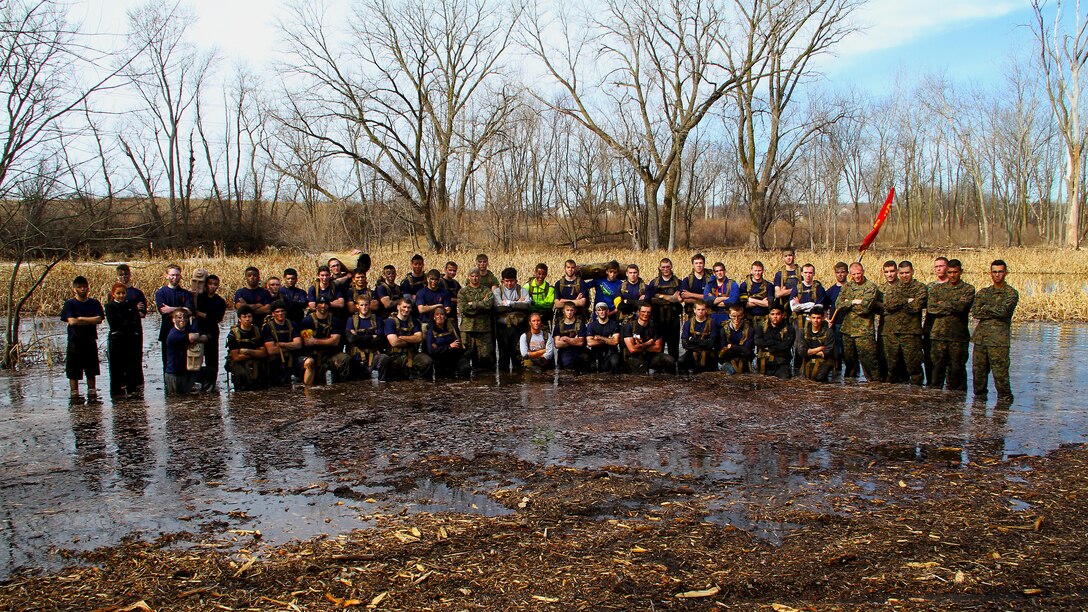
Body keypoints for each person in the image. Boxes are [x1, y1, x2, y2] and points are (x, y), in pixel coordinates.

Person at [971, 260, 1019, 398]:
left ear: (1006, 273)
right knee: (978, 376)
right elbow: (975, 312)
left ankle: (1003, 411)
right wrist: (993, 310)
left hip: (999, 341)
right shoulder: (984, 292)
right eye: (994, 272)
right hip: (981, 339)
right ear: (990, 273)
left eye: (1000, 271)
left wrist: (986, 308)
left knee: (1001, 376)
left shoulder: (1011, 293)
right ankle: (978, 411)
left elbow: (1004, 311)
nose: (997, 275)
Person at [927, 259, 975, 391]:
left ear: (961, 272)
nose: (952, 275)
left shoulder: (968, 289)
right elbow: (931, 308)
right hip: (939, 336)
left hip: (958, 336)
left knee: (957, 369)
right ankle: (935, 400)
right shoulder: (937, 288)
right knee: (937, 370)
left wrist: (943, 304)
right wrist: (952, 304)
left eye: (955, 272)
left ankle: (958, 401)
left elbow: (961, 307)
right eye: (950, 272)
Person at [881, 260, 926, 385]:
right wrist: (907, 300)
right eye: (901, 273)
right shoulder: (893, 288)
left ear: (912, 272)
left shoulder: (920, 287)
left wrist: (899, 303)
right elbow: (888, 305)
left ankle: (917, 390)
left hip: (911, 332)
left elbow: (916, 307)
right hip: (893, 332)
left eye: (907, 273)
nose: (904, 276)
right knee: (892, 365)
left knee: (914, 364)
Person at [834, 262, 880, 382]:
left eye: (859, 273)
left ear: (863, 271)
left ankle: (875, 385)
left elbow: (865, 308)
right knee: (849, 363)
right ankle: (850, 387)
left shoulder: (871, 287)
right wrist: (854, 302)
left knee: (869, 362)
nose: (857, 276)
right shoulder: (847, 287)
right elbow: (838, 305)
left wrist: (848, 303)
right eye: (854, 274)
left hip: (864, 332)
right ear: (850, 274)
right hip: (847, 330)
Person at [61, 276, 104, 399]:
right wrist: (90, 321)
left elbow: (99, 319)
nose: (83, 289)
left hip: (90, 340)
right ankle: (74, 396)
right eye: (79, 287)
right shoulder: (70, 304)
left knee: (91, 370)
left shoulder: (94, 303)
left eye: (85, 287)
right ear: (74, 289)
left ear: (88, 288)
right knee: (73, 371)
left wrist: (81, 318)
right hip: (75, 341)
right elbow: (72, 322)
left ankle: (92, 393)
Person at [374, 298, 433, 381]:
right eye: (404, 307)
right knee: (385, 360)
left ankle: (421, 380)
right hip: (394, 355)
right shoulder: (390, 321)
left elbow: (419, 338)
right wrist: (412, 340)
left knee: (427, 360)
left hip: (411, 354)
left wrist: (402, 337)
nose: (406, 310)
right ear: (398, 307)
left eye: (408, 307)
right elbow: (394, 342)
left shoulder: (414, 321)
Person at [301, 296, 350, 385]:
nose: (323, 306)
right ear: (316, 306)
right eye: (321, 303)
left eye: (326, 304)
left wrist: (316, 341)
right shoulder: (307, 321)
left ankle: (342, 385)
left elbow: (335, 341)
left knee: (345, 358)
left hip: (331, 355)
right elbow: (308, 342)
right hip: (314, 356)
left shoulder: (335, 321)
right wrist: (327, 340)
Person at [105, 282, 142, 396]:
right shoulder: (109, 306)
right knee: (116, 367)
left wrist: (131, 327)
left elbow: (135, 320)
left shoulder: (131, 304)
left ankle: (132, 390)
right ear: (113, 294)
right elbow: (114, 323)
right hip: (116, 340)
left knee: (131, 366)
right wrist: (127, 322)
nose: (121, 295)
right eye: (118, 293)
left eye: (123, 293)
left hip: (130, 339)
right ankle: (117, 393)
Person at [154, 264, 194, 370]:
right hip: (167, 332)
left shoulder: (186, 294)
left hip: (184, 333)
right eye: (172, 275)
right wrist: (182, 309)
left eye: (177, 275)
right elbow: (163, 310)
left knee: (185, 362)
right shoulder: (160, 293)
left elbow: (190, 311)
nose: (174, 278)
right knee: (167, 362)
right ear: (166, 276)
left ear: (180, 276)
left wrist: (171, 309)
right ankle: (168, 385)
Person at [115, 263, 147, 391]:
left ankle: (138, 385)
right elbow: (113, 314)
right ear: (117, 277)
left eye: (126, 274)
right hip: (120, 332)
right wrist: (133, 309)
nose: (124, 277)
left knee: (136, 357)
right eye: (121, 275)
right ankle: (122, 384)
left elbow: (142, 313)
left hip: (135, 331)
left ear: (130, 275)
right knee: (121, 360)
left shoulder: (137, 293)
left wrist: (129, 311)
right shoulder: (114, 293)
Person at [493, 267, 531, 373]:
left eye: (512, 281)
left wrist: (509, 303)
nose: (509, 283)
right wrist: (518, 303)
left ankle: (517, 381)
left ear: (516, 280)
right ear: (502, 281)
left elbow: (527, 305)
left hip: (519, 327)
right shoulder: (497, 291)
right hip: (503, 327)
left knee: (517, 354)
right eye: (507, 281)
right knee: (503, 355)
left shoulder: (522, 290)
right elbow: (498, 307)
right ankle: (503, 382)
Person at [644, 258, 683, 360]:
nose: (665, 269)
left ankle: (674, 369)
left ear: (671, 267)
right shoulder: (654, 283)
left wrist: (660, 296)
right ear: (660, 268)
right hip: (657, 320)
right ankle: (658, 368)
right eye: (663, 267)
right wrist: (670, 298)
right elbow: (647, 299)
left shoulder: (678, 282)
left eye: (668, 267)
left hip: (673, 321)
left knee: (673, 347)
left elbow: (678, 298)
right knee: (658, 347)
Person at [194, 273, 227, 390]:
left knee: (212, 359)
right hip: (197, 329)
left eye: (215, 284)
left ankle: (211, 384)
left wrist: (199, 314)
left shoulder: (220, 301)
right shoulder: (199, 298)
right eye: (210, 284)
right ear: (206, 285)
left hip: (212, 331)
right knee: (195, 357)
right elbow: (192, 310)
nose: (213, 286)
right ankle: (196, 382)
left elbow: (217, 318)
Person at [622, 302, 676, 374]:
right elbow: (632, 350)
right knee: (643, 373)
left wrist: (639, 346)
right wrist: (648, 343)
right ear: (638, 312)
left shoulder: (655, 327)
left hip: (650, 356)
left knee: (670, 360)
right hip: (633, 357)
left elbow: (658, 348)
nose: (646, 314)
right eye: (643, 312)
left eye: (648, 312)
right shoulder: (629, 327)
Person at [458, 269, 495, 373]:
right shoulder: (463, 291)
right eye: (473, 276)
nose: (475, 278)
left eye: (477, 276)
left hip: (483, 328)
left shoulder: (486, 291)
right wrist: (480, 306)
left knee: (484, 355)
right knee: (465, 353)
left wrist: (473, 304)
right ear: (469, 277)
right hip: (467, 328)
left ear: (480, 277)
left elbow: (488, 305)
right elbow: (463, 308)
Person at [225, 305, 269, 391]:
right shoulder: (233, 334)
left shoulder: (257, 331)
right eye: (244, 317)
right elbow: (236, 357)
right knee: (240, 373)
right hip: (239, 362)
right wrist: (255, 353)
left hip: (255, 359)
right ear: (239, 319)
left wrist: (248, 351)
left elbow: (263, 353)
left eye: (249, 316)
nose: (247, 319)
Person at [165, 310, 206, 395]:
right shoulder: (173, 335)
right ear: (173, 320)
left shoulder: (188, 329)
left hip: (186, 372)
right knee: (175, 401)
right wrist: (196, 337)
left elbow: (206, 337)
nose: (182, 320)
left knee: (210, 372)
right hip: (174, 374)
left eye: (185, 317)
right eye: (179, 318)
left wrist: (196, 337)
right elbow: (191, 338)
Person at [922, 256, 950, 383]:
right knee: (930, 363)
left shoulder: (953, 286)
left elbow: (957, 307)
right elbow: (928, 306)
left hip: (949, 332)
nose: (938, 269)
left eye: (941, 266)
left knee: (950, 366)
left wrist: (938, 304)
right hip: (930, 330)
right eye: (936, 267)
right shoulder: (930, 287)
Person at [262, 301, 303, 386]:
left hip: (292, 359)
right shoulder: (268, 327)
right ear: (273, 314)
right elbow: (271, 350)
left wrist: (280, 344)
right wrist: (291, 345)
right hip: (275, 362)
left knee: (309, 363)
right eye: (277, 312)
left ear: (285, 312)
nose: (280, 313)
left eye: (282, 311)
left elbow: (298, 345)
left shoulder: (293, 324)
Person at [345, 296, 384, 380]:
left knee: (384, 359)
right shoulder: (351, 320)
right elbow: (351, 339)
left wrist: (358, 337)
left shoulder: (377, 319)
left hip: (373, 354)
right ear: (357, 306)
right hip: (357, 355)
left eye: (366, 305)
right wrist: (371, 336)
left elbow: (380, 340)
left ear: (369, 305)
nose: (364, 307)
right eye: (361, 305)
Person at [426, 308, 470, 378]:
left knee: (465, 368)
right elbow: (431, 351)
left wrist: (439, 347)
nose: (439, 316)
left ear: (445, 317)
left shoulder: (452, 326)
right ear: (434, 317)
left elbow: (457, 344)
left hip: (455, 356)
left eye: (442, 314)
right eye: (437, 314)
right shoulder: (431, 331)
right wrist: (449, 346)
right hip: (441, 359)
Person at [754, 305, 794, 379]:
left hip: (781, 363)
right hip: (764, 362)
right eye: (772, 314)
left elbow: (785, 346)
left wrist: (769, 348)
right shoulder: (761, 327)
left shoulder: (789, 329)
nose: (775, 316)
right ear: (769, 315)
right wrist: (774, 342)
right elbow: (757, 341)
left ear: (782, 315)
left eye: (778, 314)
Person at [678, 301, 718, 374]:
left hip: (707, 353)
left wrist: (693, 340)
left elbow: (712, 343)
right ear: (694, 310)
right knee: (681, 361)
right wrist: (701, 345)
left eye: (703, 309)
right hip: (692, 351)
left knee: (712, 366)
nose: (701, 312)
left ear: (706, 310)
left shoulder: (712, 323)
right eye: (698, 309)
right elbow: (685, 344)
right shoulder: (688, 323)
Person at [823, 261, 849, 376]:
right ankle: (837, 374)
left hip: (849, 324)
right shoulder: (831, 291)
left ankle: (851, 375)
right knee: (837, 351)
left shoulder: (851, 289)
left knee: (849, 353)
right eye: (838, 272)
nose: (840, 275)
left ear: (847, 273)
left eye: (843, 272)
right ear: (835, 274)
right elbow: (823, 307)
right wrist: (826, 318)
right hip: (836, 324)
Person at [797, 305, 835, 382]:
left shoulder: (829, 332)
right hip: (807, 360)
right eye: (814, 318)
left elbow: (828, 351)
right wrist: (820, 348)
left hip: (824, 361)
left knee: (819, 379)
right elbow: (802, 352)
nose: (816, 320)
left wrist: (810, 351)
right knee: (805, 380)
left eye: (818, 318)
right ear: (810, 318)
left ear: (822, 318)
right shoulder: (803, 331)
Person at [552, 301, 589, 372]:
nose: (569, 312)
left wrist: (566, 339)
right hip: (564, 354)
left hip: (578, 353)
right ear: (563, 311)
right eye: (567, 310)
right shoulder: (558, 326)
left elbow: (581, 342)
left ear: (575, 311)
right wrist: (574, 340)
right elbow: (557, 344)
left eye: (571, 310)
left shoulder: (580, 324)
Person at [586, 301, 622, 374]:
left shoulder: (614, 324)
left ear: (608, 311)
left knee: (615, 362)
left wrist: (600, 338)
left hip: (611, 352)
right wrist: (608, 340)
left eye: (603, 310)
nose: (602, 312)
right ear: (596, 313)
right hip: (596, 353)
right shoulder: (591, 325)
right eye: (599, 310)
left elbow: (615, 342)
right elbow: (590, 343)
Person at [718, 304, 755, 374]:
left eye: (739, 316)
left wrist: (732, 347)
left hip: (745, 360)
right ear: (730, 315)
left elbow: (748, 350)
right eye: (734, 316)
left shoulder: (749, 329)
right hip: (729, 360)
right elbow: (723, 350)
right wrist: (740, 349)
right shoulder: (724, 330)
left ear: (743, 315)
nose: (736, 319)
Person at [703, 262, 740, 327]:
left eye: (721, 270)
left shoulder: (732, 284)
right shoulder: (709, 285)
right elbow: (706, 301)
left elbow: (733, 301)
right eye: (717, 271)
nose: (719, 273)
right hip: (712, 318)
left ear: (725, 271)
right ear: (714, 273)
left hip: (727, 318)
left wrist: (714, 300)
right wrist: (725, 298)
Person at [740, 261, 774, 329]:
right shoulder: (744, 285)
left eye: (759, 271)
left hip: (764, 319)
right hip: (749, 319)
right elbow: (744, 304)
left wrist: (751, 299)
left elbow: (769, 304)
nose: (757, 273)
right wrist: (762, 302)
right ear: (751, 271)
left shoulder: (769, 286)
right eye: (755, 271)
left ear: (763, 271)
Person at [679, 253, 709, 319]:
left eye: (700, 263)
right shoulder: (687, 280)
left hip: (708, 312)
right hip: (692, 313)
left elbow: (711, 297)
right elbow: (685, 298)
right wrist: (703, 299)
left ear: (704, 264)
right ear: (693, 265)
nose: (698, 265)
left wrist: (690, 294)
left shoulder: (710, 279)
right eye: (696, 263)